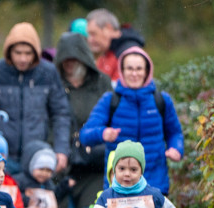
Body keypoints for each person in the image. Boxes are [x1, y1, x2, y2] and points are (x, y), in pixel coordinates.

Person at [51, 32, 113, 208]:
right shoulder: (53, 84)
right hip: (62, 162)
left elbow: (111, 117)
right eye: (64, 59)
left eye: (74, 58)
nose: (69, 64)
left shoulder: (102, 84)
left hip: (92, 163)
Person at [0, 22, 70, 174]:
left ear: (36, 53)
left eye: (28, 53)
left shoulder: (48, 73)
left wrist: (61, 149)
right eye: (18, 53)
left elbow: (60, 113)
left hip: (37, 155)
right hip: (0, 155)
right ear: (9, 51)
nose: (23, 58)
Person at [79, 46, 184, 196]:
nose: (134, 73)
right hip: (119, 187)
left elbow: (174, 133)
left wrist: (176, 149)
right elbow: (85, 136)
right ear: (121, 71)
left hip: (155, 185)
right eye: (129, 68)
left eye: (139, 69)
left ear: (147, 71)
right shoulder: (110, 100)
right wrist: (103, 133)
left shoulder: (161, 100)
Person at [85, 9, 145, 84]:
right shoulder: (108, 50)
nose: (90, 39)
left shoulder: (128, 53)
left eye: (93, 34)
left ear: (108, 28)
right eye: (89, 35)